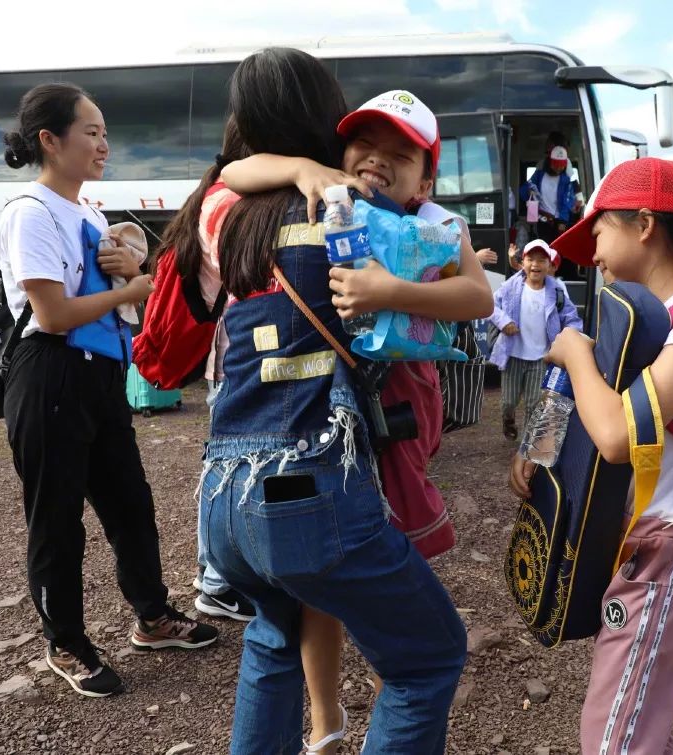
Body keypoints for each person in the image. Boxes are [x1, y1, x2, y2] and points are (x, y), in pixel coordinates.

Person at [200, 49, 469, 754]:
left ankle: (319, 728)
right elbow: (468, 290)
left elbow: (228, 173)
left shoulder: (223, 217)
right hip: (304, 486)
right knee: (427, 656)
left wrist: (290, 168)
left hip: (221, 497)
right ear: (328, 125)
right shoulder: (359, 216)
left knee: (272, 636)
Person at [0, 84, 218, 699]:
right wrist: (132, 289)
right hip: (50, 372)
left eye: (103, 132)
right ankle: (65, 640)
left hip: (100, 376)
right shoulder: (30, 212)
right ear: (50, 139)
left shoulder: (90, 214)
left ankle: (153, 617)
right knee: (57, 518)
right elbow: (54, 314)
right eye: (90, 132)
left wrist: (131, 274)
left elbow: (120, 307)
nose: (103, 144)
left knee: (130, 504)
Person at [511, 157, 673, 753]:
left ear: (643, 224)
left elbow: (616, 435)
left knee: (618, 731)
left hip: (666, 549)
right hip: (635, 542)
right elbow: (588, 386)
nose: (594, 254)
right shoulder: (632, 316)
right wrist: (540, 442)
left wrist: (575, 356)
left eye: (599, 232)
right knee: (623, 715)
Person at [150, 116, 255, 622]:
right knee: (225, 472)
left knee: (224, 468)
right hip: (237, 362)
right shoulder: (229, 203)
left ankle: (219, 578)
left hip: (229, 360)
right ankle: (215, 582)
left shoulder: (214, 193)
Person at [488, 239, 582, 441]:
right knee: (508, 402)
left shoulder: (557, 291)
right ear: (523, 262)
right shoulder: (509, 287)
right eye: (531, 259)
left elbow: (571, 318)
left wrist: (571, 337)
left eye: (541, 260)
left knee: (534, 403)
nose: (535, 265)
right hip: (513, 355)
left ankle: (528, 443)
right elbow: (491, 306)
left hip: (542, 357)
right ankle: (508, 421)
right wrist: (504, 321)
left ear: (549, 265)